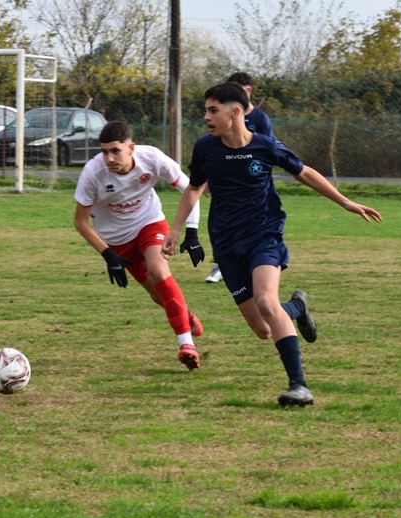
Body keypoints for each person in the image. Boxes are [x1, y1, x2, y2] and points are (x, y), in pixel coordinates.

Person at [162, 83, 381, 406]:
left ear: (235, 112)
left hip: (263, 235)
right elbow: (194, 188)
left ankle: (299, 386)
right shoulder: (205, 148)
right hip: (226, 243)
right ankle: (297, 308)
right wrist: (176, 229)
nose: (206, 117)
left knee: (266, 300)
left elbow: (304, 172)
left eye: (213, 110)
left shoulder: (264, 146)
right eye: (206, 110)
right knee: (263, 329)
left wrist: (345, 202)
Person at [74, 121, 206, 371]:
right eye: (104, 152)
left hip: (149, 222)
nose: (109, 158)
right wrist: (108, 255)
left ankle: (186, 344)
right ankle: (186, 316)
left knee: (159, 271)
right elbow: (80, 222)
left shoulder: (152, 158)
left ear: (131, 147)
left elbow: (191, 188)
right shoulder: (93, 173)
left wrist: (191, 231)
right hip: (116, 240)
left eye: (115, 151)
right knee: (157, 294)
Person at [205, 72, 274, 284]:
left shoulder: (260, 120)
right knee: (220, 221)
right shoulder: (219, 122)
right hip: (226, 186)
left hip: (253, 189)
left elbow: (270, 155)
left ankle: (258, 262)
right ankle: (221, 264)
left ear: (248, 91)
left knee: (253, 226)